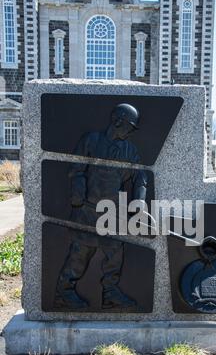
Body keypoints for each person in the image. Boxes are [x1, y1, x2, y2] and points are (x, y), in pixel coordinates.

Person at [53, 104, 147, 311]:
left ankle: (110, 293)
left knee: (115, 253)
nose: (131, 132)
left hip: (111, 214)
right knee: (80, 253)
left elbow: (141, 175)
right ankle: (64, 292)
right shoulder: (92, 140)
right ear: (117, 120)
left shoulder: (129, 149)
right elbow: (76, 169)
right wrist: (78, 196)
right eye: (130, 126)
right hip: (87, 209)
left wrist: (139, 200)